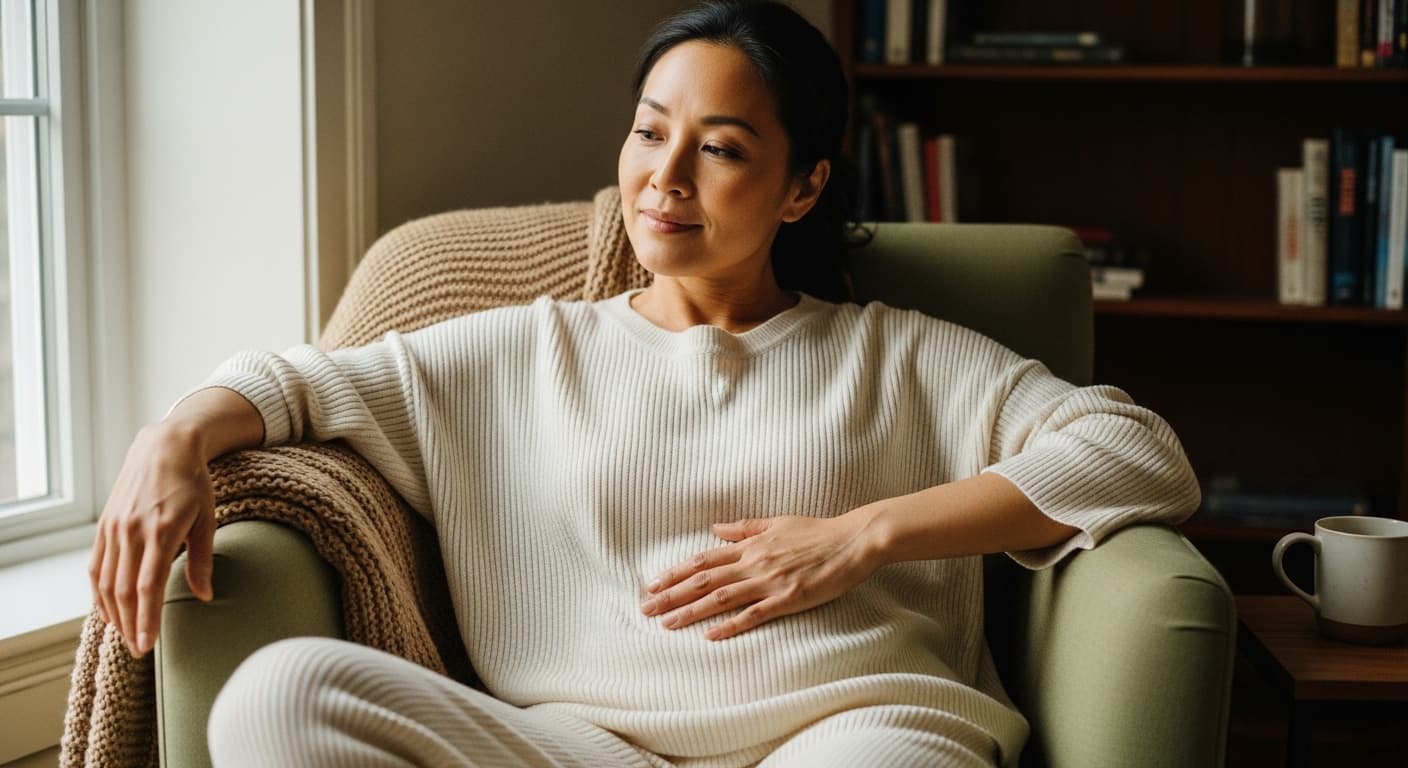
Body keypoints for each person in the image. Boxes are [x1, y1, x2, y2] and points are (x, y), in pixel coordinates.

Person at [89, 1, 1199, 766]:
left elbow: (1135, 453)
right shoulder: (518, 353)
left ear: (801, 187)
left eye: (717, 148)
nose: (662, 179)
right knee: (279, 698)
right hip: (581, 746)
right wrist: (171, 440)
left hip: (854, 731)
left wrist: (861, 536)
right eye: (647, 132)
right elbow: (290, 384)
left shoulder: (899, 354)